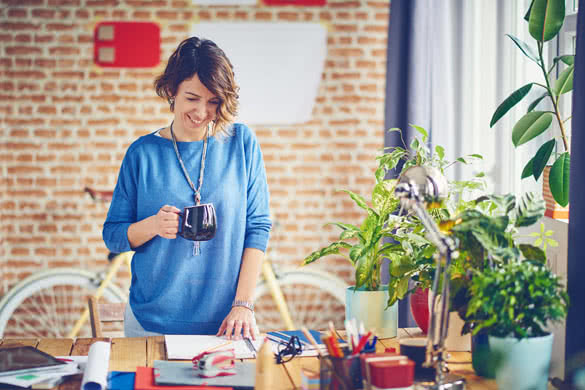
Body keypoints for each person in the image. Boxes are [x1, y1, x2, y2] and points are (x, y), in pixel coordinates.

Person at [102, 36, 272, 340]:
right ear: (172, 91)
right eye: (192, 98)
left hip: (227, 325)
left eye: (213, 101)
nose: (202, 112)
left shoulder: (242, 144)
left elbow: (258, 227)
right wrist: (153, 225)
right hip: (150, 326)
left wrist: (243, 304)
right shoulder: (142, 153)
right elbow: (114, 236)